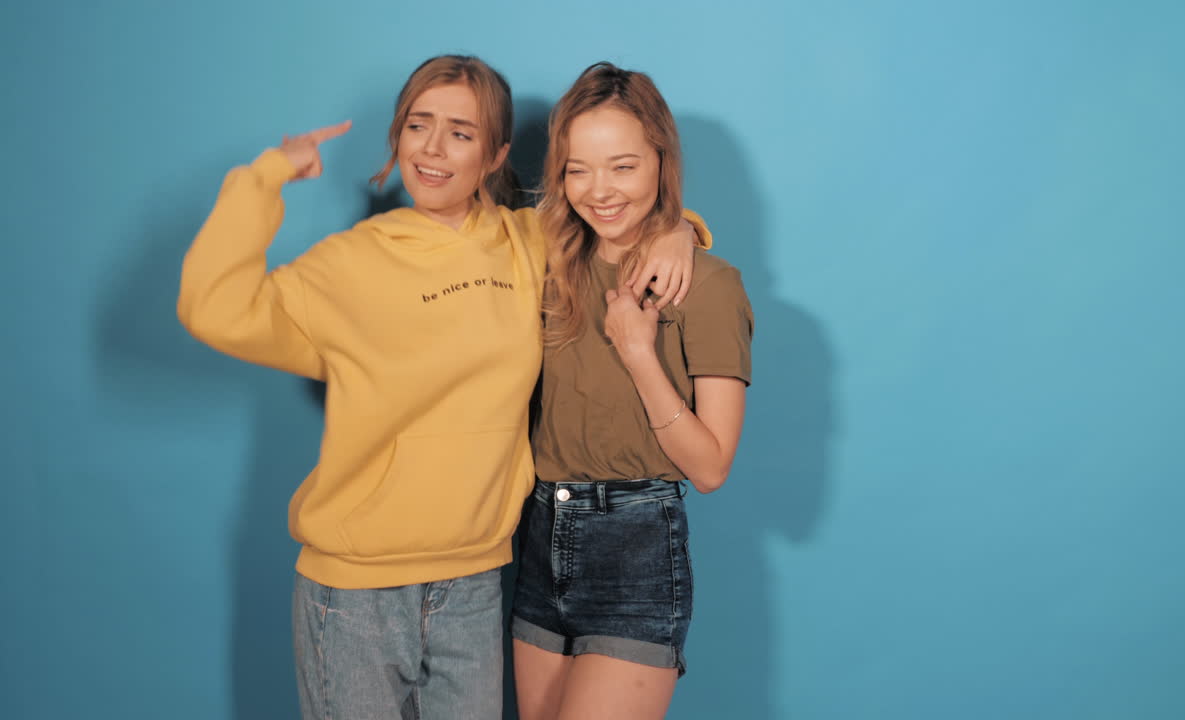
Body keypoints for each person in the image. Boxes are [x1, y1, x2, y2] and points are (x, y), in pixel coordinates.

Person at [177, 55, 707, 720]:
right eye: (418, 125)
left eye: (460, 131)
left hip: (476, 586)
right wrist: (267, 177)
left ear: (495, 154)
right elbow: (212, 306)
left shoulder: (527, 241)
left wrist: (680, 230)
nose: (433, 147)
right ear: (398, 138)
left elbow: (614, 221)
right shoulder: (351, 262)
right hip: (355, 594)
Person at [511, 62, 753, 720]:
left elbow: (710, 467)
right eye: (577, 168)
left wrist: (639, 351)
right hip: (537, 538)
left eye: (623, 166)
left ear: (660, 160)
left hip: (637, 549)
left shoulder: (706, 284)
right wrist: (683, 225)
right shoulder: (546, 259)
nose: (600, 191)